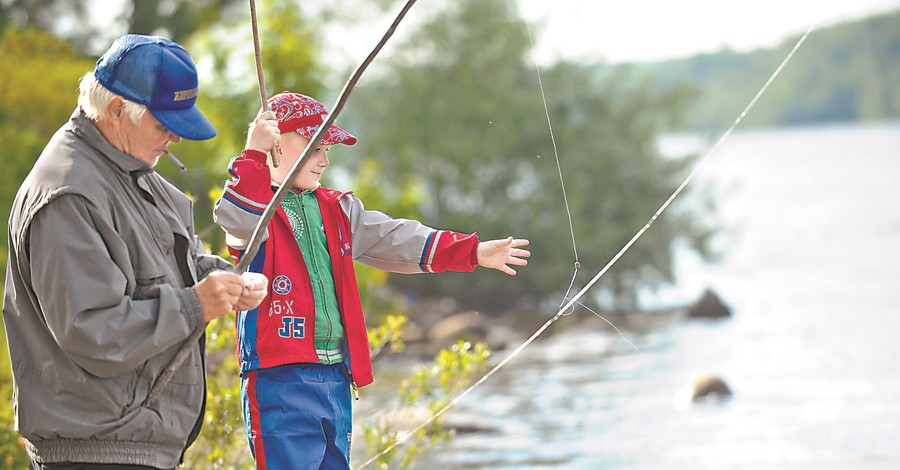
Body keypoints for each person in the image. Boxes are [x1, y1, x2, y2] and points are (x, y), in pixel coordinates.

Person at [213, 91, 531, 469]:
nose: (325, 161)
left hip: (334, 377)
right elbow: (236, 220)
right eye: (317, 148)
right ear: (278, 144)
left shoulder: (338, 208)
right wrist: (252, 153)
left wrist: (472, 251)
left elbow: (398, 238)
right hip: (278, 378)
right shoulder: (252, 207)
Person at [2, 34, 268, 470]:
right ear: (116, 111)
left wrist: (228, 281)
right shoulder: (68, 194)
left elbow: (177, 265)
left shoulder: (135, 171)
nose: (176, 140)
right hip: (94, 454)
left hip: (131, 447)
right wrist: (195, 304)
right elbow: (94, 332)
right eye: (165, 125)